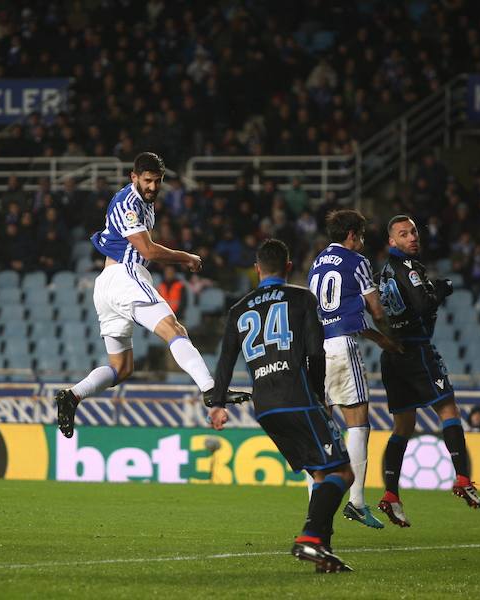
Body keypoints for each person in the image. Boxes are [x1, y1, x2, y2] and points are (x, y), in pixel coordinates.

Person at [55, 153, 249, 438]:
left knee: (121, 368)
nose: (153, 187)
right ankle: (211, 389)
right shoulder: (129, 202)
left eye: (158, 181)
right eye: (147, 181)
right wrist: (186, 257)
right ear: (134, 177)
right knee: (174, 329)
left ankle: (72, 396)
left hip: (109, 285)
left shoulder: (144, 204)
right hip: (126, 276)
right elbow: (147, 251)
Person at [209, 239, 354, 573]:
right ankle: (310, 539)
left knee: (321, 472)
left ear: (257, 269)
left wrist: (217, 403)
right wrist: (319, 396)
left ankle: (322, 551)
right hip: (297, 396)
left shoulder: (238, 309)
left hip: (265, 405)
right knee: (343, 471)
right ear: (288, 267)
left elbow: (225, 361)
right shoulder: (303, 298)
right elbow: (316, 353)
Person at [376, 215, 480, 527]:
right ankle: (463, 478)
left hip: (392, 354)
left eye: (413, 232)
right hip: (416, 351)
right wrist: (443, 287)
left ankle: (391, 495)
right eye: (403, 234)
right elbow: (423, 303)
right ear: (391, 241)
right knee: (448, 410)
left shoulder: (382, 272)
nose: (412, 237)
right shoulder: (408, 268)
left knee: (403, 427)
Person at [307, 209, 402, 530]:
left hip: (316, 350)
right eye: (360, 235)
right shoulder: (357, 262)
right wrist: (393, 337)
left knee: (321, 427)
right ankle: (357, 502)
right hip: (342, 348)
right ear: (351, 235)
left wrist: (380, 341)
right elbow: (375, 310)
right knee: (358, 423)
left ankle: (314, 506)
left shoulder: (316, 264)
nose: (361, 240)